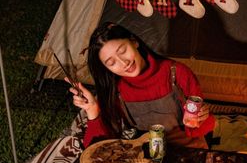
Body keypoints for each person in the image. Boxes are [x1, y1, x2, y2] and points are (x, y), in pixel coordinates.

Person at [68, 22, 215, 148]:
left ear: (134, 42)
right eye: (111, 63)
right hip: (144, 154)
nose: (123, 63)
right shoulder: (115, 88)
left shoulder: (177, 73)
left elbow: (201, 129)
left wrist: (202, 117)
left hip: (187, 149)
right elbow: (97, 147)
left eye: (123, 51)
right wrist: (92, 110)